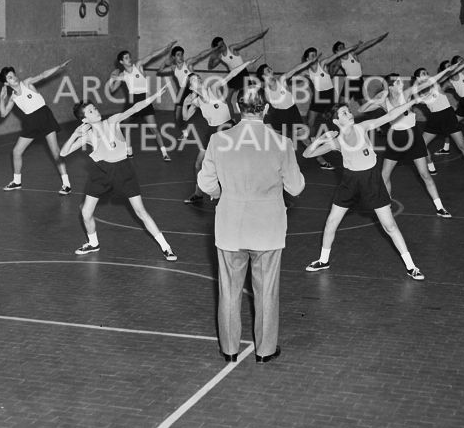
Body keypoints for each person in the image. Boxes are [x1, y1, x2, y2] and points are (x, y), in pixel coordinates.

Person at [197, 85, 306, 363]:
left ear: (237, 108)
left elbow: (205, 182)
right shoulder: (283, 143)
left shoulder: (219, 140)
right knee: (266, 291)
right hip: (267, 227)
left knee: (229, 291)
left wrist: (224, 194)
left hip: (230, 225)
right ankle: (265, 351)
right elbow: (295, 187)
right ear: (266, 109)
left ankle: (230, 349)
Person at [302, 101, 427, 280]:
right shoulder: (336, 142)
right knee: (331, 222)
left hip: (371, 181)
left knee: (390, 226)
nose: (349, 114)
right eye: (344, 113)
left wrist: (412, 101)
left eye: (348, 111)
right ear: (337, 121)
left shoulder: (362, 127)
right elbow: (307, 154)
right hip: (350, 183)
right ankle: (323, 260)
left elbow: (390, 116)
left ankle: (411, 266)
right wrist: (321, 139)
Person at [59, 85, 177, 261]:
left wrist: (153, 97)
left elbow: (135, 108)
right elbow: (63, 153)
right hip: (101, 173)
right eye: (91, 111)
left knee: (140, 211)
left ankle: (166, 247)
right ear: (84, 119)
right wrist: (75, 134)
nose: (96, 111)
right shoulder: (88, 136)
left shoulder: (112, 121)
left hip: (123, 170)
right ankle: (93, 243)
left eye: (95, 108)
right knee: (85, 212)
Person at [357, 71, 453, 217]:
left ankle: (440, 207)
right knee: (384, 175)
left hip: (413, 137)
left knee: (424, 174)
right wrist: (377, 99)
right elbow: (360, 110)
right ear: (390, 87)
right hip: (396, 139)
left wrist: (447, 70)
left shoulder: (406, 93)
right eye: (398, 82)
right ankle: (386, 206)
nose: (402, 83)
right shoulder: (384, 100)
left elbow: (428, 82)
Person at [181, 56, 260, 205]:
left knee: (233, 162)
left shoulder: (213, 89)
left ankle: (245, 190)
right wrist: (185, 105)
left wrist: (247, 63)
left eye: (198, 76)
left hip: (227, 127)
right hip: (211, 131)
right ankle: (198, 193)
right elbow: (185, 118)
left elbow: (231, 74)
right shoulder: (196, 101)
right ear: (191, 87)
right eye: (194, 79)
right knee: (198, 164)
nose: (198, 78)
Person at [0, 60, 73, 194]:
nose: (14, 78)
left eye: (13, 75)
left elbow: (43, 75)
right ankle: (17, 181)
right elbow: (3, 113)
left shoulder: (26, 83)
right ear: (6, 83)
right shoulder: (13, 97)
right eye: (10, 77)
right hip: (30, 122)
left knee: (55, 151)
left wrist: (59, 67)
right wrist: (1, 99)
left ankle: (66, 184)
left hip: (44, 116)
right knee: (16, 152)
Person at [106, 43, 177, 161]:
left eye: (130, 57)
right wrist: (111, 78)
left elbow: (152, 55)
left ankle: (165, 153)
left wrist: (166, 48)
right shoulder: (122, 75)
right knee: (126, 127)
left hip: (145, 100)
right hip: (132, 102)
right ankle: (129, 151)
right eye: (126, 58)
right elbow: (112, 89)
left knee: (154, 128)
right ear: (121, 62)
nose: (130, 59)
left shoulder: (138, 66)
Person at [302, 42, 362, 170]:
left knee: (336, 120)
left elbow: (338, 55)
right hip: (318, 97)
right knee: (310, 121)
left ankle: (348, 141)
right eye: (311, 56)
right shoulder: (306, 71)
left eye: (315, 55)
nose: (314, 57)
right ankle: (314, 142)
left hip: (329, 96)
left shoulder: (322, 64)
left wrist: (354, 46)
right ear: (307, 59)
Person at [155, 43, 217, 141]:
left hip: (194, 89)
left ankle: (220, 123)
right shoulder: (173, 68)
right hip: (183, 91)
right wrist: (166, 61)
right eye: (178, 55)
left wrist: (213, 49)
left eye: (182, 54)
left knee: (206, 109)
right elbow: (160, 71)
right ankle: (185, 133)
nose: (181, 57)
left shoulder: (187, 63)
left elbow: (200, 55)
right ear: (174, 57)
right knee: (178, 116)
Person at [207, 30, 270, 106]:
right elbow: (210, 66)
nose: (224, 46)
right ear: (217, 47)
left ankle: (252, 111)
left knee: (248, 96)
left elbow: (246, 42)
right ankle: (230, 116)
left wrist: (258, 36)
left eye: (223, 43)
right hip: (232, 75)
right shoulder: (220, 56)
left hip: (242, 73)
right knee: (227, 98)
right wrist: (212, 57)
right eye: (221, 46)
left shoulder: (232, 48)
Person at [329, 32, 388, 106]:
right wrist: (331, 65)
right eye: (340, 48)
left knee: (364, 104)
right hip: (349, 82)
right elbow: (331, 75)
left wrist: (379, 38)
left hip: (359, 81)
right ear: (337, 51)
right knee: (341, 104)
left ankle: (375, 115)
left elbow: (366, 45)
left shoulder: (352, 54)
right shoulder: (338, 62)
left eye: (343, 47)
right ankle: (337, 116)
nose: (343, 49)